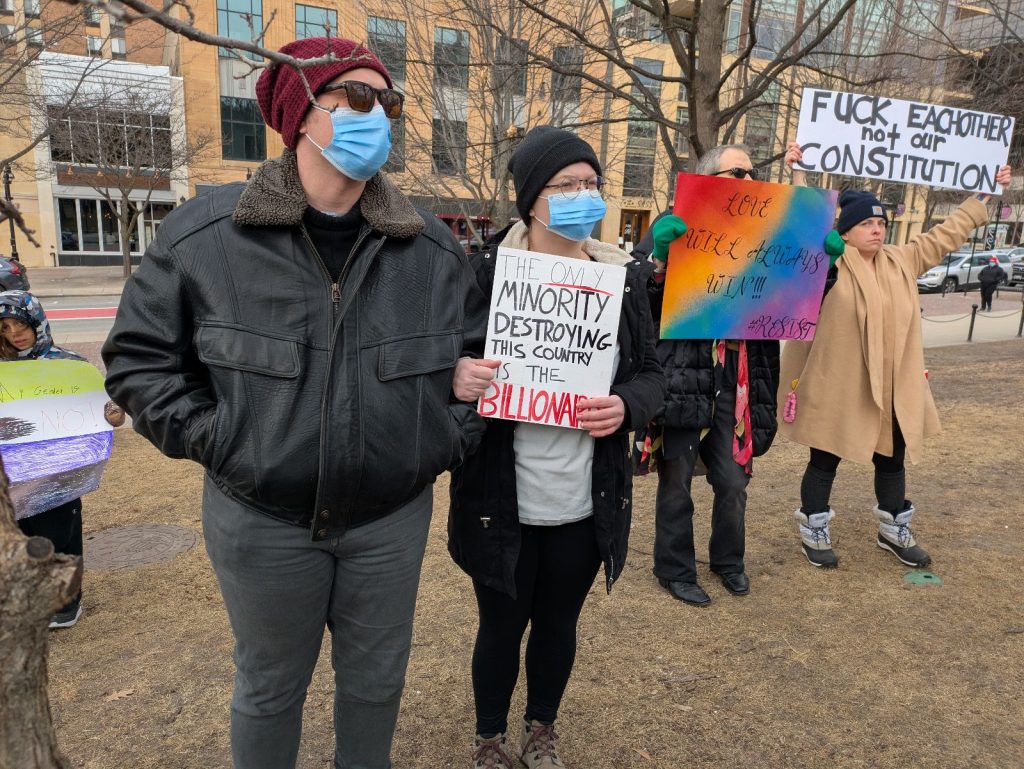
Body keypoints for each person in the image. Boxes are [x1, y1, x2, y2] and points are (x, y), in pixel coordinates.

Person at [102, 37, 486, 769]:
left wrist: (441, 439)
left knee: (377, 685)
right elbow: (138, 363)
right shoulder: (205, 235)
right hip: (261, 522)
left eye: (390, 103)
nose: (383, 117)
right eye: (361, 99)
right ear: (301, 113)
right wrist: (225, 440)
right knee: (270, 687)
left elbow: (469, 368)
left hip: (389, 523)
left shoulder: (434, 250)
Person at [448, 126, 665, 769]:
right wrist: (458, 374)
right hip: (501, 495)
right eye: (565, 186)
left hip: (584, 497)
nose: (582, 196)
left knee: (558, 625)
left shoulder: (623, 279)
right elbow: (442, 358)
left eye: (591, 184)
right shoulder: (486, 272)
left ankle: (541, 730)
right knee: (501, 625)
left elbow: (653, 375)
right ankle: (490, 739)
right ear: (530, 201)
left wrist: (628, 405)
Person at [782, 140, 1012, 568]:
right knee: (825, 456)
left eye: (880, 222)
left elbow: (949, 232)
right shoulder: (826, 259)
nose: (876, 228)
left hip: (891, 385)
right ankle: (814, 527)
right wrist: (799, 172)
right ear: (845, 230)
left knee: (893, 454)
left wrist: (987, 192)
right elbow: (805, 226)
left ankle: (893, 527)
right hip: (840, 383)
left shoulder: (901, 259)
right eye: (866, 223)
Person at [639, 145, 786, 606]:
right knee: (677, 479)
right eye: (736, 171)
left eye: (752, 172)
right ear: (707, 177)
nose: (746, 178)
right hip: (685, 373)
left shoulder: (768, 232)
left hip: (740, 377)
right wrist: (659, 259)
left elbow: (795, 298)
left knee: (733, 480)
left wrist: (824, 267)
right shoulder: (675, 222)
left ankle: (728, 562)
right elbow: (638, 299)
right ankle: (675, 569)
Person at [1, 290, 87, 628]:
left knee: (61, 533)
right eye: (5, 328)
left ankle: (67, 602)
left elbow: (93, 413)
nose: (15, 334)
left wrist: (108, 414)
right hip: (15, 474)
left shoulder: (67, 364)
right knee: (22, 533)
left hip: (58, 472)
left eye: (19, 324)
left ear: (35, 321)